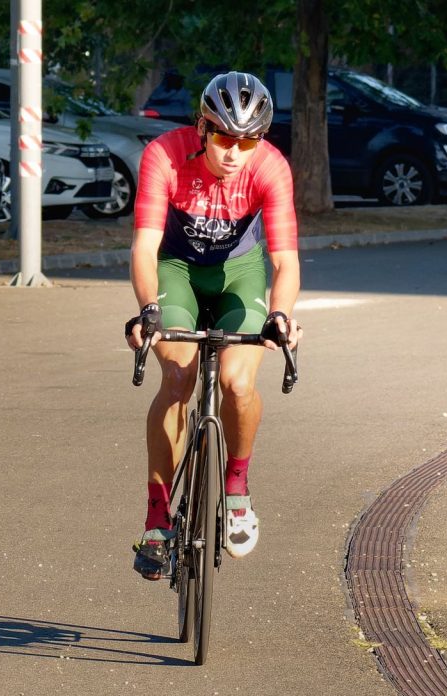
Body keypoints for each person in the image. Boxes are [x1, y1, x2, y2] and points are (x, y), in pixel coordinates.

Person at [126, 71, 302, 581]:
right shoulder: (163, 154)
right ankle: (158, 518)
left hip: (239, 275)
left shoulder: (270, 168)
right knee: (178, 378)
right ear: (202, 127)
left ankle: (238, 488)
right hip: (176, 271)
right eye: (223, 136)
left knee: (236, 382)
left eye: (247, 140)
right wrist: (149, 311)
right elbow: (143, 247)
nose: (234, 152)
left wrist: (282, 316)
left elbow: (285, 261)